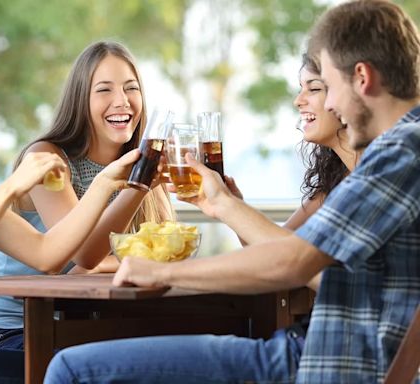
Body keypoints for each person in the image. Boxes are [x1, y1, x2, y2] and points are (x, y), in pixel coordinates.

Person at [43, 1, 420, 383]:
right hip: (321, 355)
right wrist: (221, 203)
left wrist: (162, 272)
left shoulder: (401, 153)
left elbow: (294, 262)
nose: (333, 105)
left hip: (319, 365)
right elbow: (303, 260)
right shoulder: (400, 152)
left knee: (70, 368)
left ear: (362, 77)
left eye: (329, 88)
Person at [0, 30, 142, 383]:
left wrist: (107, 182)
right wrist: (11, 187)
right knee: (63, 374)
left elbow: (47, 254)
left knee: (85, 369)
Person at [0, 41, 174, 350]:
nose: (122, 101)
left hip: (87, 323)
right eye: (104, 90)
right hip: (13, 329)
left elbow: (154, 256)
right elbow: (82, 256)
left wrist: (111, 264)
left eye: (131, 89)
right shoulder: (47, 160)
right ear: (81, 100)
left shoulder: (144, 161)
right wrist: (138, 186)